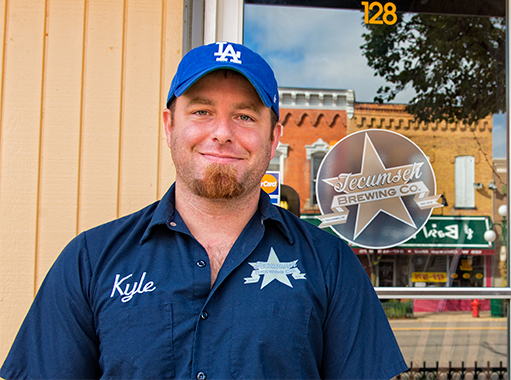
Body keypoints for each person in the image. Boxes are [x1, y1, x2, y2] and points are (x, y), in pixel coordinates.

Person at [0, 42, 407, 380]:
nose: (222, 132)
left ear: (273, 136)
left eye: (245, 116)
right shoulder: (91, 261)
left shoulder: (330, 264)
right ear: (169, 125)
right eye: (201, 111)